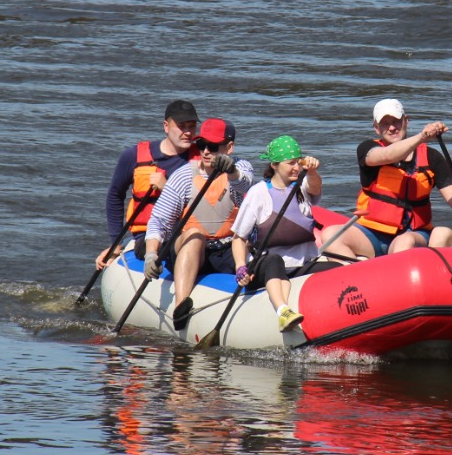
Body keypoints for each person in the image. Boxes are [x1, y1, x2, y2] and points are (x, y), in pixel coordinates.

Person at [323, 97, 452, 260]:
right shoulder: (367, 149)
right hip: (372, 233)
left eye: (396, 121)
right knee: (331, 235)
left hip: (414, 234)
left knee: (404, 242)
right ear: (376, 128)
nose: (392, 127)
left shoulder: (432, 158)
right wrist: (421, 136)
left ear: (406, 121)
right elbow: (387, 155)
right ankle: (354, 281)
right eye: (385, 123)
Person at [142, 118, 256, 329]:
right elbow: (159, 221)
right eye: (201, 145)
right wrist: (151, 255)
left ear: (229, 147)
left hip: (229, 248)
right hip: (191, 247)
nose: (205, 152)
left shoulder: (240, 168)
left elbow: (244, 182)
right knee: (195, 233)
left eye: (212, 147)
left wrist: (230, 171)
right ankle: (180, 308)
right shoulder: (184, 176)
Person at [230, 136, 330, 333]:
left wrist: (312, 171)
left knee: (336, 268)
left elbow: (315, 186)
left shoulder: (302, 185)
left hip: (303, 263)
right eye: (290, 163)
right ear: (275, 165)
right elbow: (239, 238)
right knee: (275, 260)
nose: (296, 168)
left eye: (298, 162)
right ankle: (283, 311)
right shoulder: (258, 193)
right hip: (267, 267)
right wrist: (240, 266)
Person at [98, 99, 200, 270]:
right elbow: (115, 196)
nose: (188, 132)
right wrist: (116, 242)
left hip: (192, 232)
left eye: (191, 126)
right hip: (148, 237)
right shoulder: (133, 156)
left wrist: (167, 189)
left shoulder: (203, 159)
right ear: (166, 126)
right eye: (182, 126)